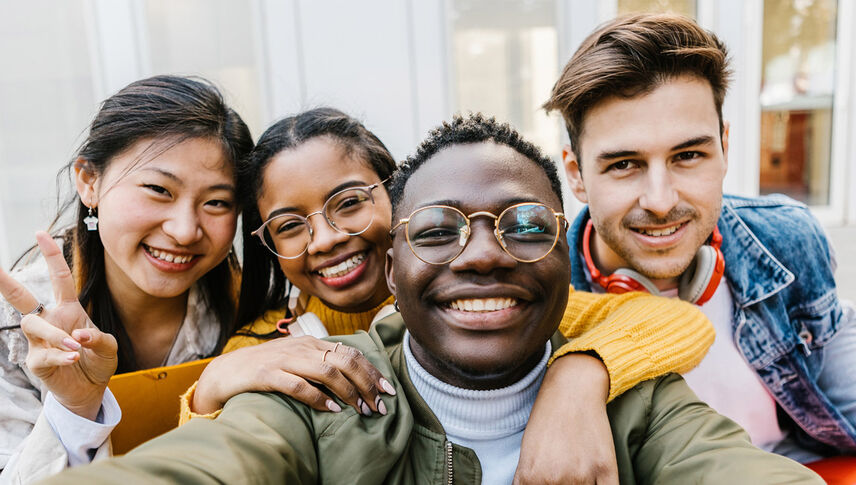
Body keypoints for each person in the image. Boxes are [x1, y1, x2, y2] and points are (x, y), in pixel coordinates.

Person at [38, 114, 822, 485]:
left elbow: (659, 329)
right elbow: (218, 458)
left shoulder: (628, 384)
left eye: (520, 227)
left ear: (387, 217)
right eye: (441, 230)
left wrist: (583, 376)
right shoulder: (306, 374)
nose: (482, 252)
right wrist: (214, 386)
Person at [181, 109, 712, 452]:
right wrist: (207, 392)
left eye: (348, 203)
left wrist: (579, 376)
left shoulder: (483, 303)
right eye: (291, 226)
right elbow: (231, 455)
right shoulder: (263, 343)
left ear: (401, 198)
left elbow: (672, 320)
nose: (323, 239)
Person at [540, 13, 856, 463]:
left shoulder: (786, 239)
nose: (661, 201)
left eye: (688, 155)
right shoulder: (543, 298)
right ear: (576, 174)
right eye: (624, 164)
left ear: (724, 147)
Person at [0, 75, 253, 482]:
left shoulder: (253, 311)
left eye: (217, 202)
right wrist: (75, 407)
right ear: (89, 181)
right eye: (158, 189)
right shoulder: (18, 325)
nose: (186, 230)